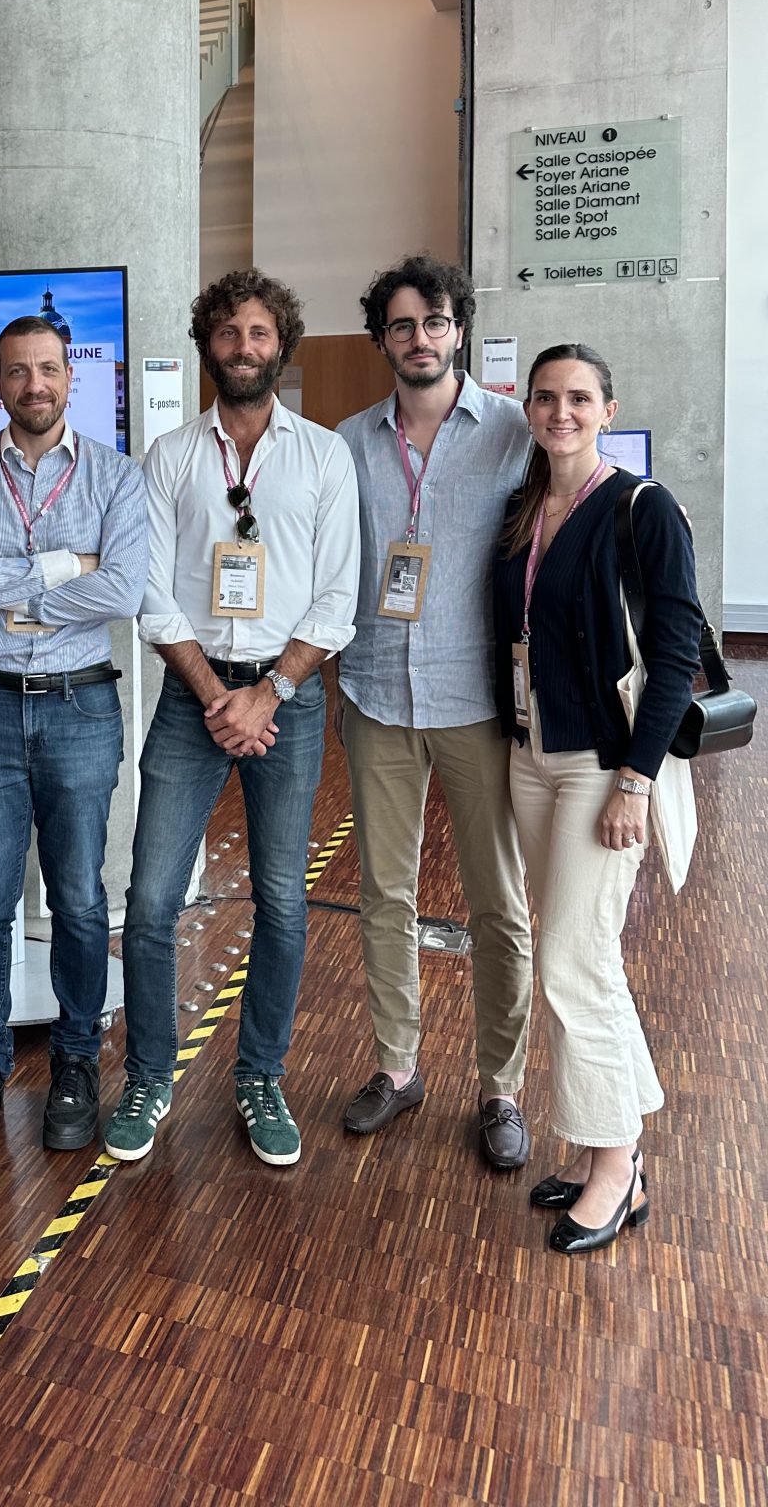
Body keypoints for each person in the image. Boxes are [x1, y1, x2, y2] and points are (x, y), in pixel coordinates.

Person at [106, 268, 359, 1169]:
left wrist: (269, 692)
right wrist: (218, 695)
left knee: (282, 899)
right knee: (150, 900)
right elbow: (150, 591)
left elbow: (337, 596)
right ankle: (148, 1075)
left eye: (258, 333)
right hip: (194, 697)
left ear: (281, 345)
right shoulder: (171, 457)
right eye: (227, 333)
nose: (243, 347)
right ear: (206, 346)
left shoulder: (325, 457)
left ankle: (261, 1076)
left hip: (287, 699)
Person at [492, 344, 702, 1254]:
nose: (561, 412)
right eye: (546, 397)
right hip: (531, 753)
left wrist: (635, 780)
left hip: (601, 765)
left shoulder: (642, 507)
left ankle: (617, 1167)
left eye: (579, 397)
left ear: (608, 409)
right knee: (578, 957)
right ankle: (603, 1147)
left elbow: (678, 651)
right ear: (529, 409)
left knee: (574, 962)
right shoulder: (524, 508)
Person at [0, 315, 148, 1156]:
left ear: (70, 377)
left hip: (79, 709)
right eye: (17, 371)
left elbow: (123, 590)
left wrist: (2, 575)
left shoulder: (116, 478)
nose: (34, 385)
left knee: (80, 900)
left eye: (48, 369)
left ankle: (77, 1062)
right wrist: (66, 565)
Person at [335, 256, 534, 1169]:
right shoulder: (347, 443)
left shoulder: (514, 434)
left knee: (499, 903)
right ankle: (398, 1066)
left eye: (436, 321)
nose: (421, 338)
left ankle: (501, 1087)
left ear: (459, 329)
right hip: (376, 692)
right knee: (385, 894)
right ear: (382, 339)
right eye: (403, 325)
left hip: (476, 700)